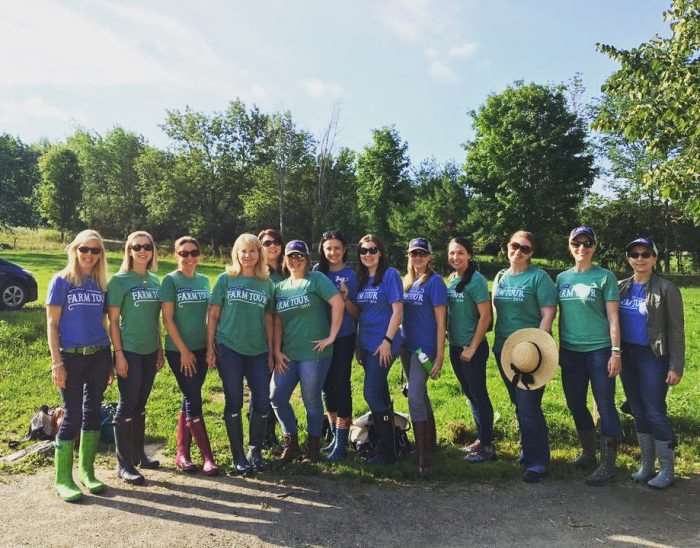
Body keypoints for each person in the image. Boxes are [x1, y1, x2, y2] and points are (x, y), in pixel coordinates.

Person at [47, 230, 112, 501]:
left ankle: (87, 471)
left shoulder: (100, 284)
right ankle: (63, 478)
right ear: (74, 250)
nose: (89, 255)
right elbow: (52, 324)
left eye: (95, 251)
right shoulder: (61, 281)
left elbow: (105, 322)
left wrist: (109, 358)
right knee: (72, 415)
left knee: (93, 411)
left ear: (100, 255)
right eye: (84, 249)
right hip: (70, 357)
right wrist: (57, 363)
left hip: (98, 354)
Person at [556, 226, 622, 486]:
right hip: (570, 351)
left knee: (605, 405)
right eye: (576, 243)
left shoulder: (605, 277)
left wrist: (616, 352)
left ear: (594, 246)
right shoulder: (561, 279)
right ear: (569, 245)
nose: (581, 248)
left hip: (599, 350)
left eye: (587, 243)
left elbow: (614, 317)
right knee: (575, 403)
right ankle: (588, 453)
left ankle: (608, 463)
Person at [618, 237, 685, 489]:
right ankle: (647, 465)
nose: (639, 259)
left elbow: (677, 330)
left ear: (655, 258)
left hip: (654, 357)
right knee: (637, 409)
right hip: (628, 355)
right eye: (634, 254)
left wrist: (676, 365)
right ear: (628, 259)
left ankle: (667, 469)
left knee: (654, 410)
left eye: (645, 254)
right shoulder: (621, 287)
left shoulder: (667, 289)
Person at [208, 234, 275, 475]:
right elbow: (213, 315)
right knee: (234, 399)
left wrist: (270, 351)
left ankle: (254, 450)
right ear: (236, 253)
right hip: (229, 348)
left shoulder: (267, 284)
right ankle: (238, 455)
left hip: (258, 351)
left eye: (253, 251)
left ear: (260, 254)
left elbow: (269, 320)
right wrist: (210, 348)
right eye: (243, 251)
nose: (248, 256)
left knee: (262, 401)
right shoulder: (226, 280)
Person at [271, 240, 344, 463]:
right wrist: (276, 350)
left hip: (314, 353)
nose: (295, 260)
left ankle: (313, 447)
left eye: (299, 256)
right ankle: (291, 442)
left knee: (311, 399)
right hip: (289, 353)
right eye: (291, 256)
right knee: (276, 396)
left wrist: (331, 337)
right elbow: (277, 323)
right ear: (285, 259)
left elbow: (338, 303)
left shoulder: (316, 280)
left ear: (306, 259)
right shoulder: (280, 288)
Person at [492, 230, 557, 483]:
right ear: (507, 247)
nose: (518, 251)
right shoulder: (500, 277)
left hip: (530, 352)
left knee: (529, 406)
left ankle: (538, 461)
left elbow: (548, 314)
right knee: (519, 404)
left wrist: (538, 347)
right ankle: (528, 450)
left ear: (532, 253)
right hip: (504, 349)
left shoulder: (539, 278)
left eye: (525, 248)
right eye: (514, 246)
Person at [107, 231, 163, 485]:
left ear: (152, 251)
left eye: (147, 246)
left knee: (141, 403)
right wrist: (118, 354)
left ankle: (140, 455)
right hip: (128, 350)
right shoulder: (119, 281)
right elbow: (114, 321)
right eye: (137, 246)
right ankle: (124, 463)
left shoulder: (155, 281)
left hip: (150, 350)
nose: (142, 251)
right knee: (127, 404)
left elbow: (156, 319)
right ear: (129, 250)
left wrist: (160, 349)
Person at [161, 236, 218, 476]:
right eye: (183, 253)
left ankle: (181, 453)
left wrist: (210, 348)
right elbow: (168, 319)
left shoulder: (205, 281)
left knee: (189, 396)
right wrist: (183, 350)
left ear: (200, 255)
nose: (189, 257)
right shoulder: (170, 281)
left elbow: (209, 319)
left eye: (193, 252)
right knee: (193, 398)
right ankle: (208, 457)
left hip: (201, 348)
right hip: (178, 351)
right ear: (176, 255)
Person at [349, 234, 404, 465]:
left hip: (385, 343)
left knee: (371, 392)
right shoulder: (361, 279)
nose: (368, 255)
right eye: (363, 251)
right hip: (367, 342)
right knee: (379, 391)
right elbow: (358, 314)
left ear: (380, 252)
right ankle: (389, 446)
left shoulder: (389, 275)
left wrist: (387, 340)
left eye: (372, 250)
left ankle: (386, 450)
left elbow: (397, 311)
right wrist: (345, 298)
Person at [446, 237, 494, 463]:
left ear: (469, 255)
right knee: (470, 394)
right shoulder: (452, 279)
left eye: (460, 253)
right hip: (455, 346)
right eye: (452, 253)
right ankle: (481, 438)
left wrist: (472, 347)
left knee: (479, 395)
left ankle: (488, 446)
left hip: (471, 348)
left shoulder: (476, 281)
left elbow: (485, 316)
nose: (456, 257)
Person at [401, 238, 447, 476]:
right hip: (406, 348)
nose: (417, 258)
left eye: (421, 254)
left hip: (424, 349)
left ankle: (423, 456)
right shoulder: (407, 282)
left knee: (415, 396)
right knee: (419, 394)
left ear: (429, 257)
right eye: (413, 254)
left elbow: (441, 322)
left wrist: (440, 355)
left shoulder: (435, 282)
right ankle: (430, 442)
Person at [314, 230, 358, 461]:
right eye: (328, 248)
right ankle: (333, 436)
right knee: (326, 386)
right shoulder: (316, 273)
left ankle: (342, 443)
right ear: (323, 249)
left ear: (344, 250)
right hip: (319, 337)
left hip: (343, 337)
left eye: (337, 248)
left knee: (341, 385)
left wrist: (346, 298)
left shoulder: (351, 275)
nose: (332, 252)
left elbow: (356, 313)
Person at [257, 228, 285, 448]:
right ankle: (260, 436)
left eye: (276, 242)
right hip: (259, 339)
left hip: (286, 339)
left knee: (278, 389)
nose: (272, 246)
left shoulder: (288, 272)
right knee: (261, 388)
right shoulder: (257, 274)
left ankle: (275, 433)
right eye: (267, 243)